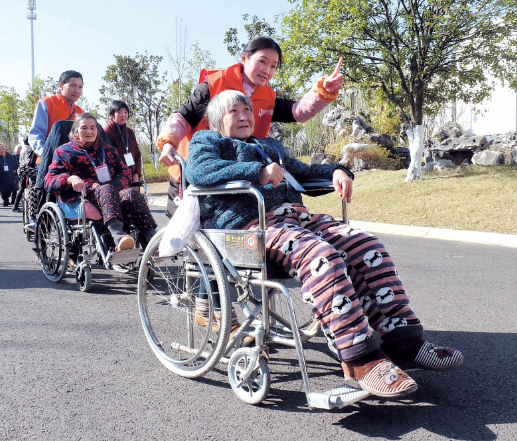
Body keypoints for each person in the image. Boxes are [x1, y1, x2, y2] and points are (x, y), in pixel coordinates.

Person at [185, 90, 464, 399]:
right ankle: (359, 361)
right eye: (234, 111)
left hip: (296, 218)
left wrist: (337, 171)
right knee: (322, 256)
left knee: (366, 245)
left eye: (247, 110)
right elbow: (198, 171)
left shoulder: (268, 146)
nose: (243, 116)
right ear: (216, 120)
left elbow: (303, 172)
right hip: (253, 227)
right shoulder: (207, 142)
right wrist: (257, 172)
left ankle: (404, 342)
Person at [156, 36, 343, 217]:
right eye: (262, 61)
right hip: (200, 171)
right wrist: (168, 143)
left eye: (273, 66)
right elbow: (183, 116)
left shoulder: (268, 96)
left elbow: (296, 112)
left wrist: (323, 92)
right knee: (181, 230)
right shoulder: (214, 83)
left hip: (245, 178)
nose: (267, 70)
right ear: (244, 58)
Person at [45, 113, 156, 251]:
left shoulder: (108, 150)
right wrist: (70, 178)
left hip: (110, 192)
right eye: (84, 128)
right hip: (82, 195)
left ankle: (151, 239)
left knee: (132, 194)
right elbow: (50, 180)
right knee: (106, 190)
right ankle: (119, 237)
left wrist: (113, 186)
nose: (89, 131)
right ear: (75, 131)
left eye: (93, 128)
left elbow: (125, 172)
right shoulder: (64, 151)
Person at [26, 70, 84, 232]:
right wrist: (47, 155)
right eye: (73, 85)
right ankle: (38, 223)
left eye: (80, 87)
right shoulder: (46, 103)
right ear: (61, 85)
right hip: (48, 161)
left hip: (72, 163)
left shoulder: (80, 112)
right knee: (47, 196)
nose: (77, 90)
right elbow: (36, 135)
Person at [104, 100, 157, 242]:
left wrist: (136, 175)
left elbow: (137, 154)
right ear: (112, 114)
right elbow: (107, 159)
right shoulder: (106, 132)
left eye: (125, 112)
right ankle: (121, 237)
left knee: (136, 204)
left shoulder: (130, 132)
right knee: (122, 207)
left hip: (131, 177)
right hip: (116, 178)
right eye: (119, 112)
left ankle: (148, 237)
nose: (123, 115)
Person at [12, 142, 38, 214]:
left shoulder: (24, 149)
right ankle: (16, 206)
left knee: (22, 188)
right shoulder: (29, 149)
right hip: (27, 170)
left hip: (22, 169)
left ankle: (16, 205)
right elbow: (28, 162)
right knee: (25, 188)